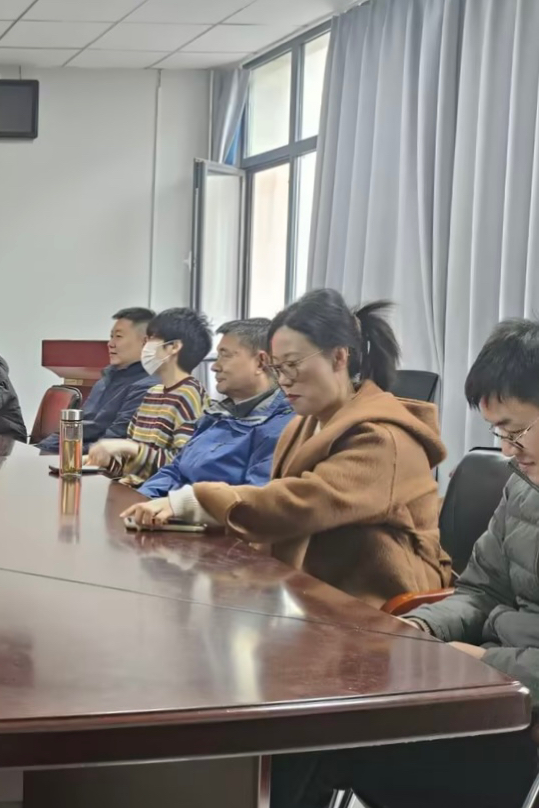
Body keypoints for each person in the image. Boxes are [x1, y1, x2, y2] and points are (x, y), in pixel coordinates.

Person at [269, 318, 539, 808]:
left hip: (519, 708)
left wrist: (486, 664)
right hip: (492, 681)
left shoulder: (380, 436)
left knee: (343, 738)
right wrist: (421, 628)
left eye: (515, 430)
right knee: (311, 715)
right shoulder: (524, 487)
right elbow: (483, 591)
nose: (506, 449)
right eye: (498, 431)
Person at [125, 289, 452, 608]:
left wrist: (193, 500)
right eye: (278, 368)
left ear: (339, 357)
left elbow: (303, 503)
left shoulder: (384, 437)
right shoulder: (304, 423)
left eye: (293, 364)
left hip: (381, 604)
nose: (283, 380)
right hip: (311, 591)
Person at [136, 318, 293, 501]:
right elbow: (175, 469)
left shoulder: (281, 428)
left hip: (199, 516)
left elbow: (250, 503)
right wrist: (141, 499)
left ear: (260, 362)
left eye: (225, 355)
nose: (214, 366)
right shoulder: (216, 415)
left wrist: (176, 507)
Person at [86, 307, 210, 486]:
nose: (145, 346)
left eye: (152, 339)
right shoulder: (153, 393)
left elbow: (182, 464)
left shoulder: (189, 394)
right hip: (129, 488)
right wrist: (103, 461)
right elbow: (132, 464)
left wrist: (130, 448)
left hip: (155, 495)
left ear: (173, 347)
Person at [36, 307, 158, 454]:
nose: (110, 343)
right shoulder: (107, 379)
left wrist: (65, 454)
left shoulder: (147, 387)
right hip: (69, 455)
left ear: (145, 342)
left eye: (118, 336)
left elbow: (113, 444)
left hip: (92, 462)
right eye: (111, 336)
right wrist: (43, 448)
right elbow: (76, 428)